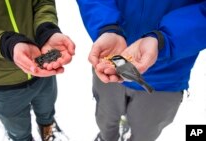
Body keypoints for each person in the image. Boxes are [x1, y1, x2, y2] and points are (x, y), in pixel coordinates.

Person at [77, 0, 206, 141]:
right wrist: (107, 27)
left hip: (166, 78)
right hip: (110, 69)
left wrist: (164, 40)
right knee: (106, 117)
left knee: (146, 132)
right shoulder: (114, 61)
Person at [0, 0, 75, 141]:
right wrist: (4, 43)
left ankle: (48, 130)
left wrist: (46, 30)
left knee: (47, 110)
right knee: (17, 128)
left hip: (42, 65)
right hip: (0, 78)